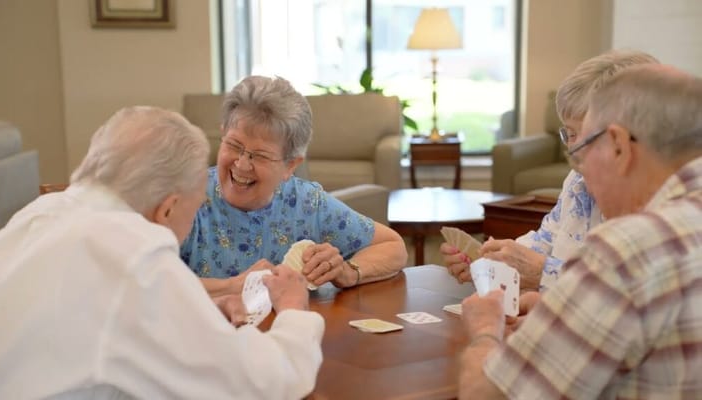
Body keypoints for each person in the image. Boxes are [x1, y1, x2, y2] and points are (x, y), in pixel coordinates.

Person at [0, 106, 325, 399]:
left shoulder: (41, 213)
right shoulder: (133, 254)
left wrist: (191, 309)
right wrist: (294, 310)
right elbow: (263, 385)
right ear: (167, 209)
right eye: (195, 209)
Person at [459, 64, 702, 398]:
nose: (579, 166)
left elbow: (488, 394)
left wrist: (485, 331)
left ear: (618, 145)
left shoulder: (625, 250)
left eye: (584, 146)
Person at [440, 50, 659, 292]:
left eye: (581, 134)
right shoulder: (578, 180)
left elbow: (629, 293)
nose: (573, 149)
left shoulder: (662, 203)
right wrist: (489, 262)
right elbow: (546, 241)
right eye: (568, 134)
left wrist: (542, 273)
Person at [180, 75, 408, 297]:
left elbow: (393, 246)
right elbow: (150, 281)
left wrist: (348, 272)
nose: (241, 164)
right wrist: (234, 286)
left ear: (290, 165)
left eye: (259, 156)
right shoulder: (185, 197)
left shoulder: (307, 203)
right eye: (233, 145)